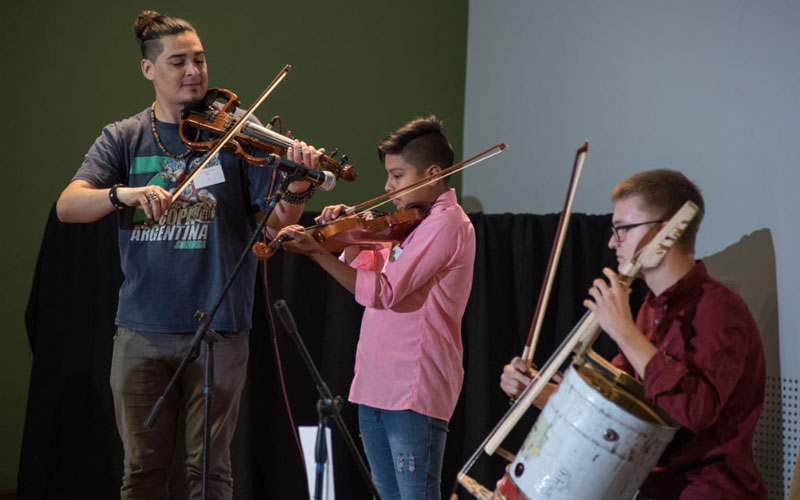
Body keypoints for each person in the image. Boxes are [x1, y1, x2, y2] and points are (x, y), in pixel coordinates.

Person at [56, 10, 323, 500]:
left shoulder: (239, 131)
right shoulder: (125, 137)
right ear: (148, 70)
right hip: (143, 328)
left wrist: (300, 184)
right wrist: (124, 195)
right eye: (178, 61)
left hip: (219, 329)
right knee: (142, 473)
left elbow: (280, 221)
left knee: (211, 474)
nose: (193, 71)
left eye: (199, 59)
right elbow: (68, 206)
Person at [500, 170, 766, 499]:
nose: (613, 241)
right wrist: (538, 393)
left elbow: (697, 411)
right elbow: (621, 408)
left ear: (667, 229)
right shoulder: (649, 311)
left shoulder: (719, 308)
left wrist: (624, 333)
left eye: (622, 229)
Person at [276, 116, 476, 500]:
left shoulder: (446, 224)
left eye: (398, 176)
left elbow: (383, 292)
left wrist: (319, 253)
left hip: (413, 389)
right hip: (376, 385)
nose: (388, 187)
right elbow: (368, 271)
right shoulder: (411, 223)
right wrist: (351, 235)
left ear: (434, 174)